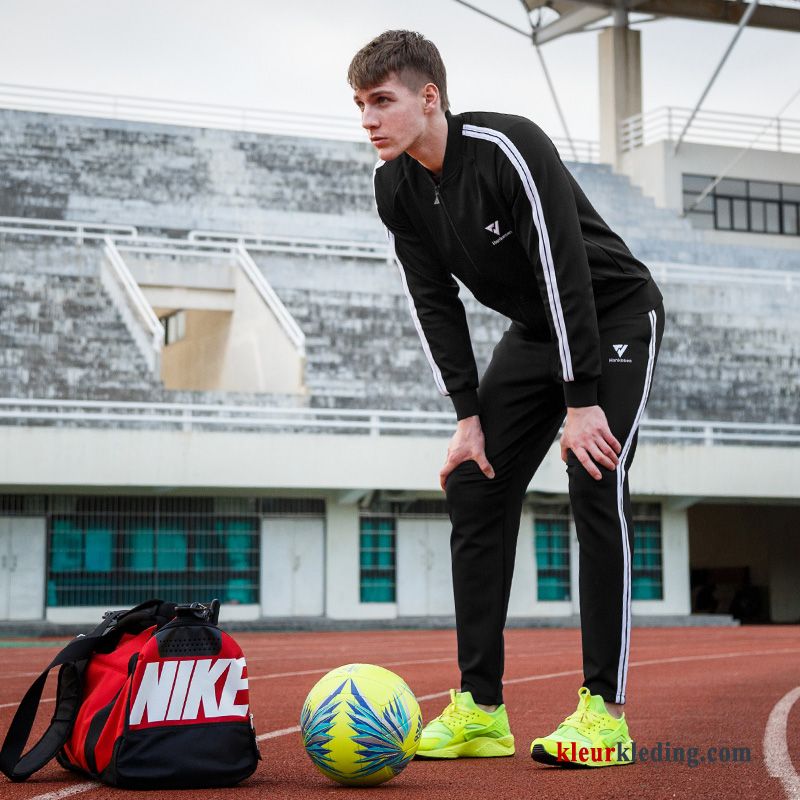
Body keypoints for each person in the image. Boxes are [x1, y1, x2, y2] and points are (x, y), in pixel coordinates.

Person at [348, 30, 664, 767]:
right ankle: (481, 710)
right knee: (474, 480)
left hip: (610, 312)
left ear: (429, 98)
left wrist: (581, 402)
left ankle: (603, 714)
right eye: (360, 105)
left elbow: (564, 273)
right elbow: (433, 302)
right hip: (534, 331)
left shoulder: (505, 147)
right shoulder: (393, 185)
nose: (368, 119)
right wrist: (467, 419)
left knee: (595, 471)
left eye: (382, 101)